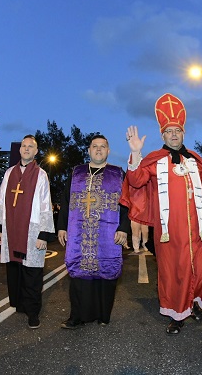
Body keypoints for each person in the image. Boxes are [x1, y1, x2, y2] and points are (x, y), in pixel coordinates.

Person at [120, 93, 202, 335]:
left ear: (184, 133)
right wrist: (136, 152)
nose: (174, 134)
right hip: (169, 230)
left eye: (177, 130)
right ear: (162, 135)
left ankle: (194, 304)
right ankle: (176, 314)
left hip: (197, 231)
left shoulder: (195, 160)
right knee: (173, 273)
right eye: (169, 131)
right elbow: (135, 180)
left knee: (199, 270)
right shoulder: (155, 160)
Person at [57, 134, 130, 329]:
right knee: (79, 275)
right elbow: (65, 201)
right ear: (88, 150)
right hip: (78, 232)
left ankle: (103, 314)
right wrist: (62, 226)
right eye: (95, 146)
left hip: (108, 233)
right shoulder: (76, 173)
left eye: (103, 146)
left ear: (108, 151)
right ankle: (77, 316)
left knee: (106, 274)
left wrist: (124, 228)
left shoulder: (118, 174)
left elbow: (127, 204)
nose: (98, 149)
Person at [0, 135, 55, 329]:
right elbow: (1, 201)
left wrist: (44, 233)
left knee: (32, 273)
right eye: (24, 146)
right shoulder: (9, 173)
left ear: (36, 151)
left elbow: (46, 205)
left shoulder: (41, 175)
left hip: (32, 230)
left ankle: (33, 312)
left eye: (31, 147)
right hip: (11, 228)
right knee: (15, 269)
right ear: (19, 150)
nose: (27, 149)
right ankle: (20, 304)